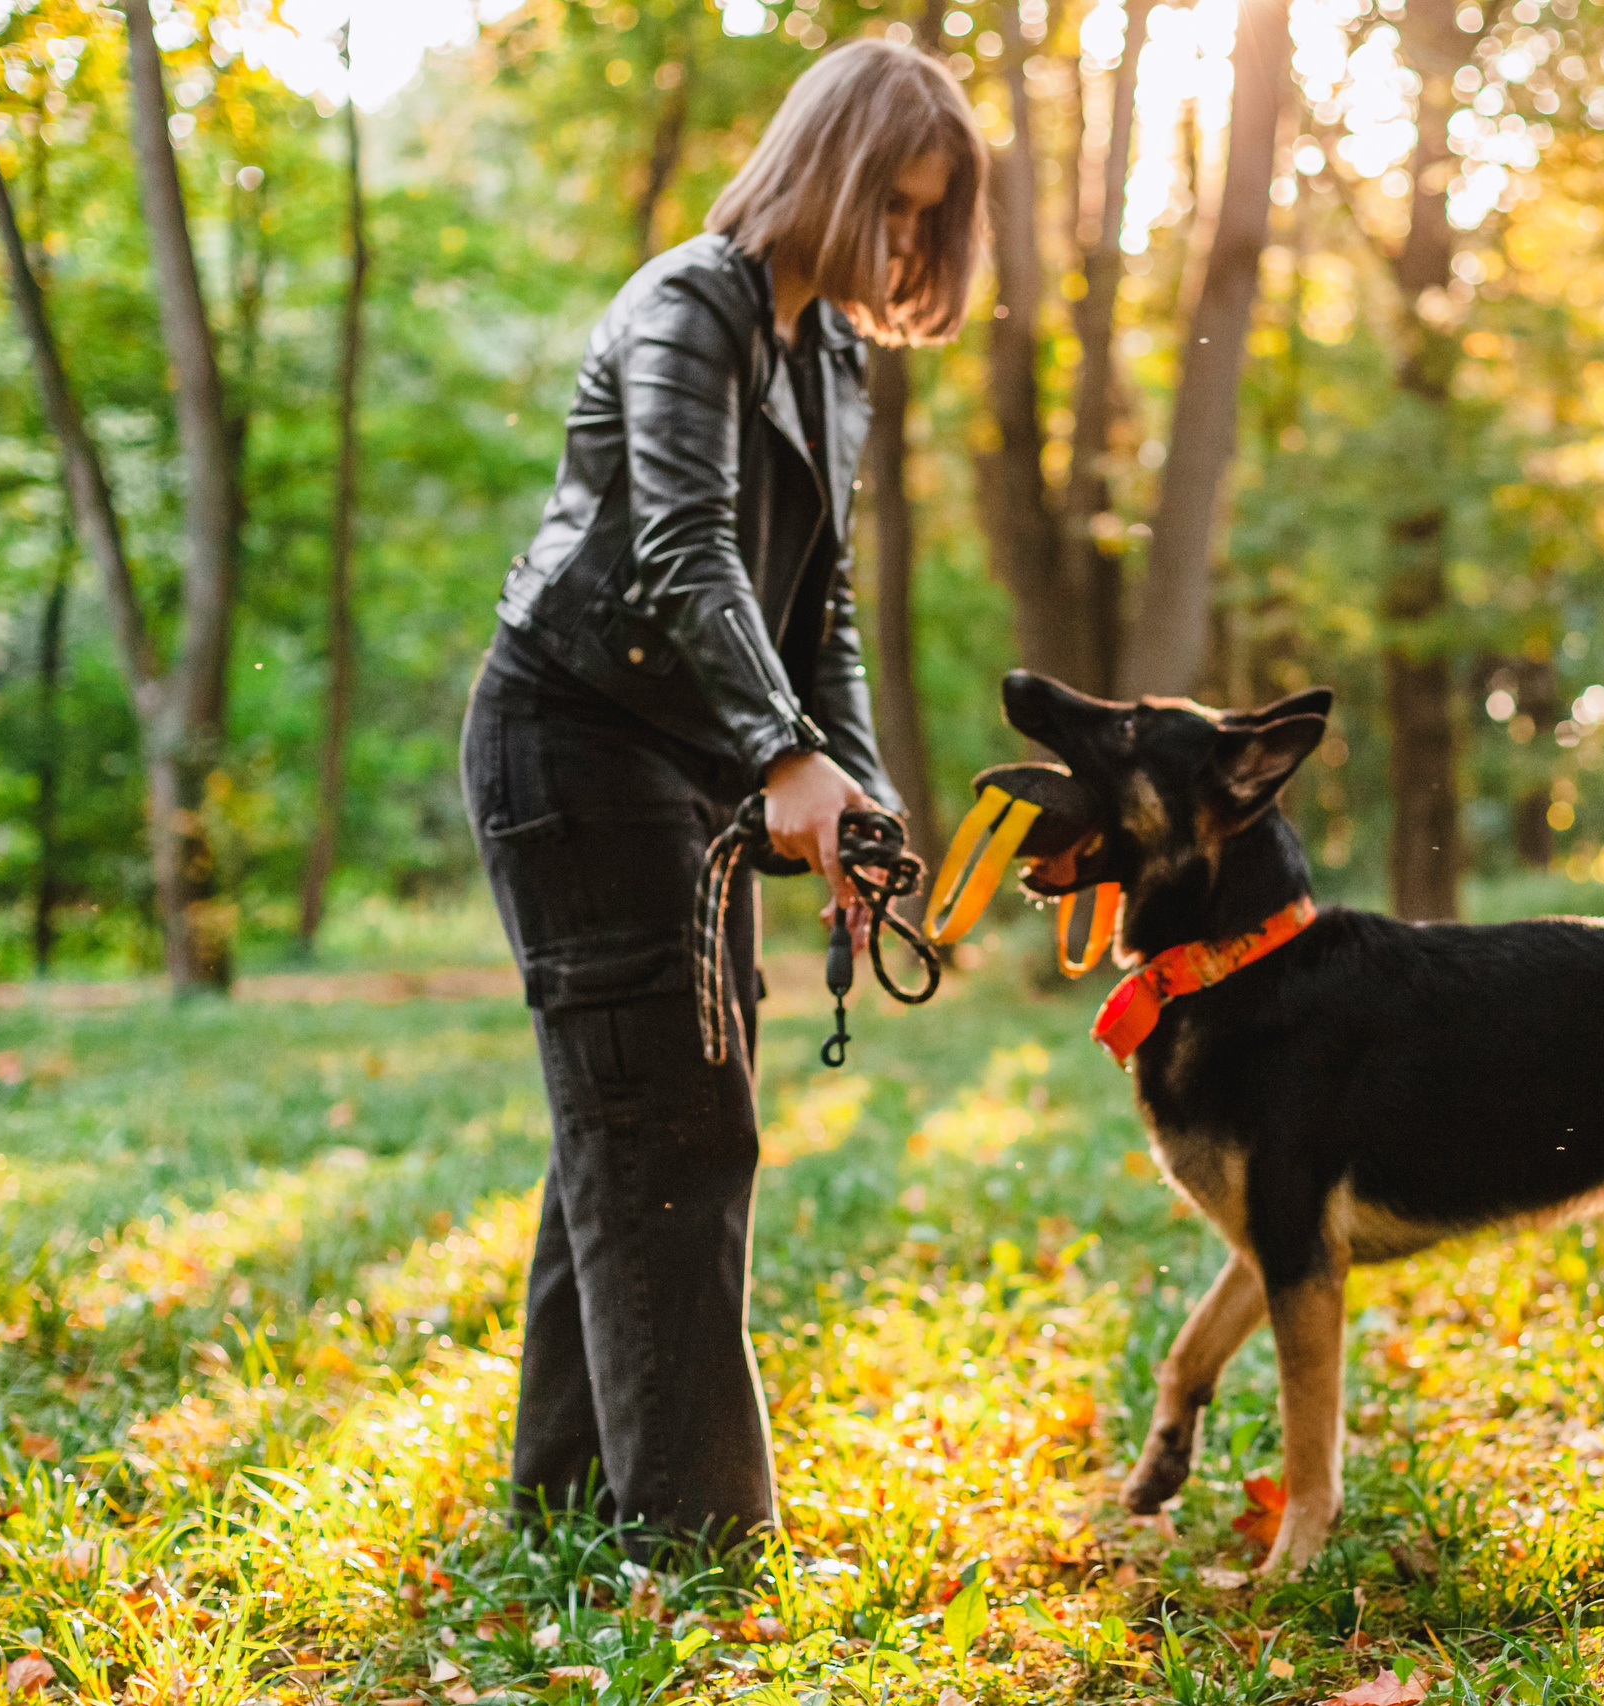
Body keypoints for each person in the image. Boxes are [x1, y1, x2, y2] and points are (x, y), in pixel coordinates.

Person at [460, 40, 985, 1553]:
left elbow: (815, 607)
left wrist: (858, 787)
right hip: (573, 735)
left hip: (688, 754)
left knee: (627, 1114)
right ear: (822, 161)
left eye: (924, 218)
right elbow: (686, 550)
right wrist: (778, 754)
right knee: (673, 1118)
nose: (900, 241)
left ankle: (566, 1490)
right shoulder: (689, 304)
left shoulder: (833, 356)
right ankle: (695, 1542)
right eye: (889, 202)